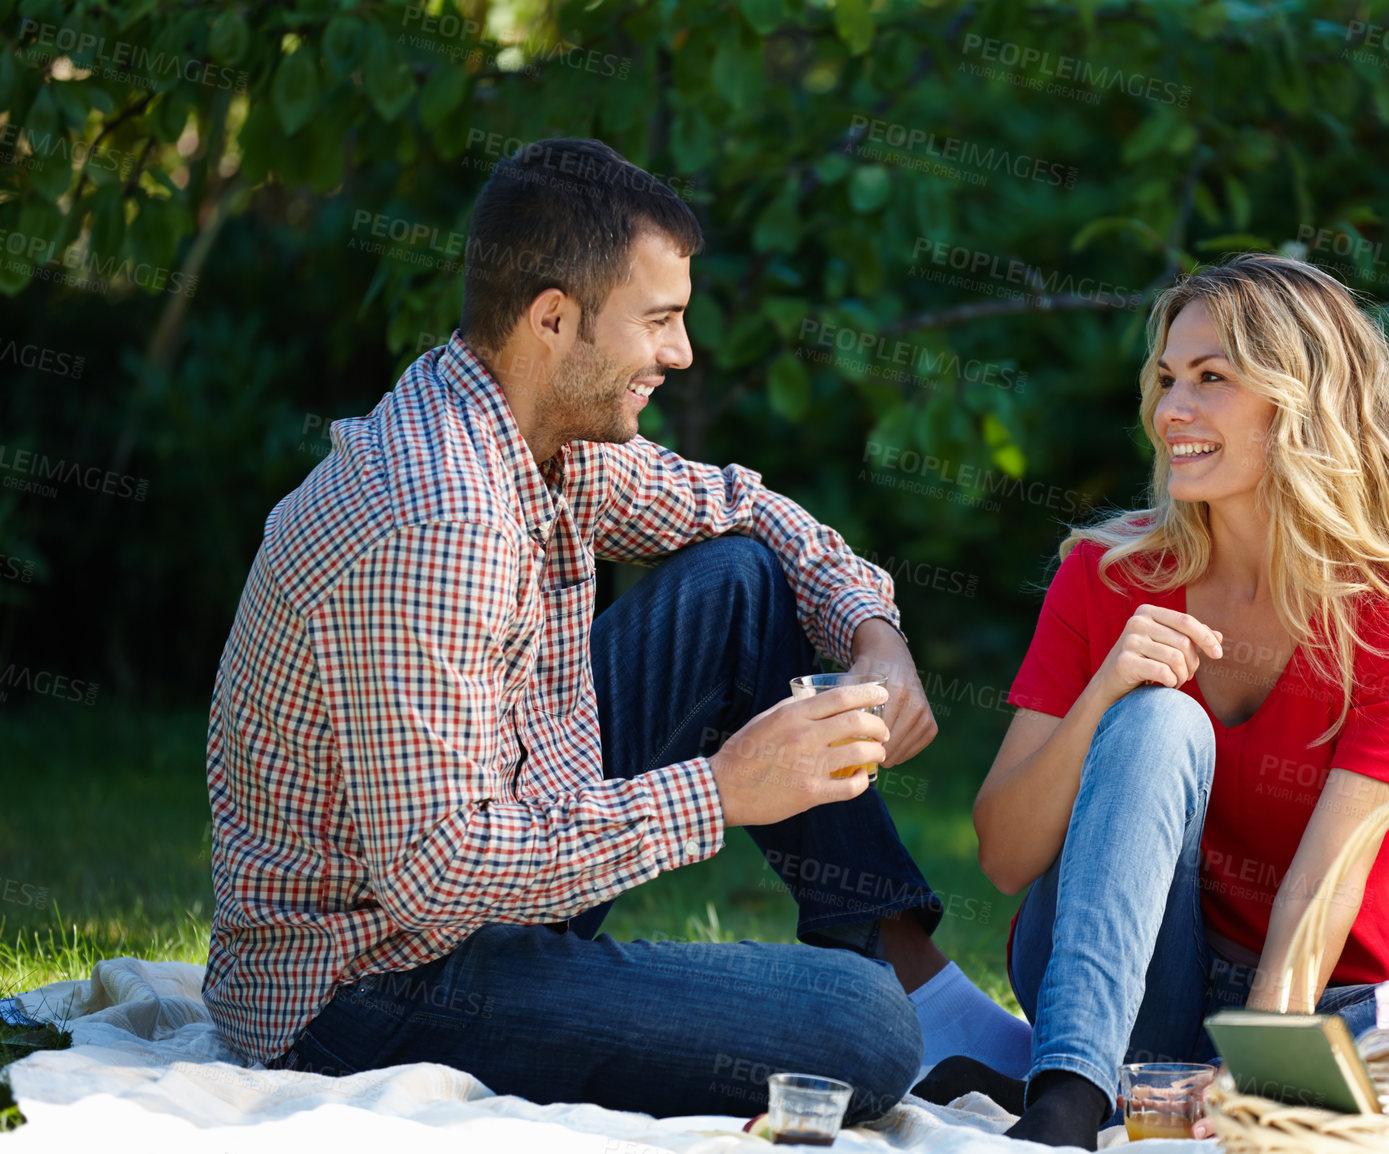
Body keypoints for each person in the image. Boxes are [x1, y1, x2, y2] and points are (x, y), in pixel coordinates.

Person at [201, 138, 1030, 1125]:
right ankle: (892, 1006)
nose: (680, 354)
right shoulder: (440, 521)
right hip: (364, 991)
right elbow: (437, 873)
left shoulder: (528, 424)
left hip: (477, 879)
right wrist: (721, 789)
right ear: (554, 317)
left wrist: (871, 627)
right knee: (860, 1031)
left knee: (737, 579)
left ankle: (916, 973)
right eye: (661, 321)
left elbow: (740, 507)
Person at [912, 254, 1389, 1147]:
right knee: (1159, 717)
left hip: (1315, 996)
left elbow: (1322, 889)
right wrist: (1107, 697)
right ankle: (1066, 1104)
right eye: (1165, 378)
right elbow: (1007, 858)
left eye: (1212, 379)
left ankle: (1197, 1098)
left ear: (1304, 405)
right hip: (1121, 983)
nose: (1170, 411)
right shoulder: (1106, 573)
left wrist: (1252, 1075)